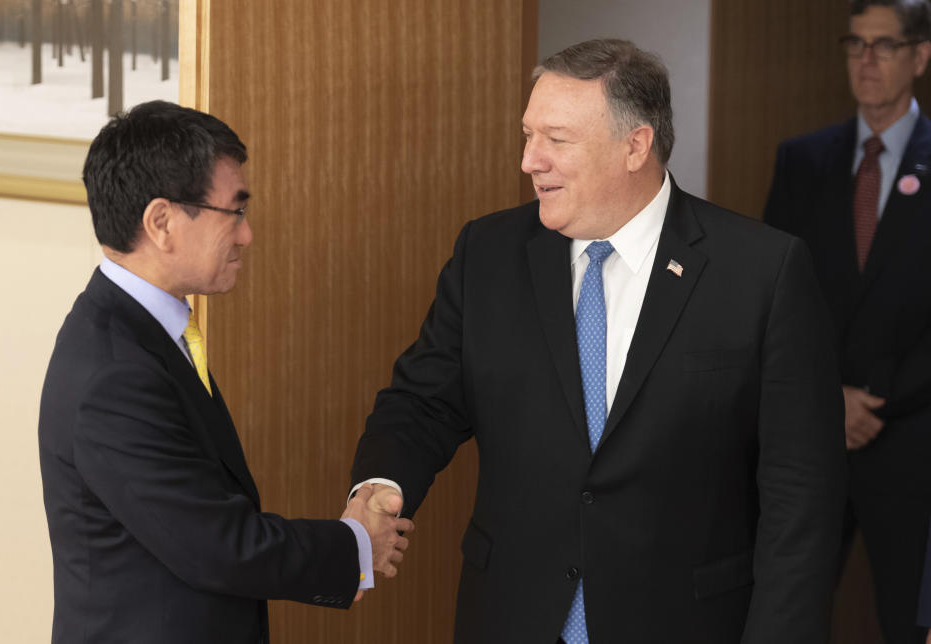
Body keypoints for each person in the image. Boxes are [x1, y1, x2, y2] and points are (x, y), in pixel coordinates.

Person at [350, 39, 847, 643]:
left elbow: (802, 498)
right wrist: (381, 487)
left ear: (635, 145)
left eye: (557, 140)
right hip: (513, 619)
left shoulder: (762, 272)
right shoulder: (488, 254)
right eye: (528, 135)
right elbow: (422, 402)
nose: (530, 160)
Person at [38, 100, 412, 644]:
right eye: (233, 212)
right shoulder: (115, 375)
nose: (246, 235)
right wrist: (355, 543)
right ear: (161, 222)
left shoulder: (140, 331)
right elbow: (216, 545)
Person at [764, 2, 931, 642]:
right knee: (787, 614)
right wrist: (827, 395)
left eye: (884, 45)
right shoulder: (803, 159)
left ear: (919, 56)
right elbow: (777, 297)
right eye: (856, 43)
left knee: (904, 621)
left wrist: (875, 400)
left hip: (910, 439)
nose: (867, 59)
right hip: (812, 436)